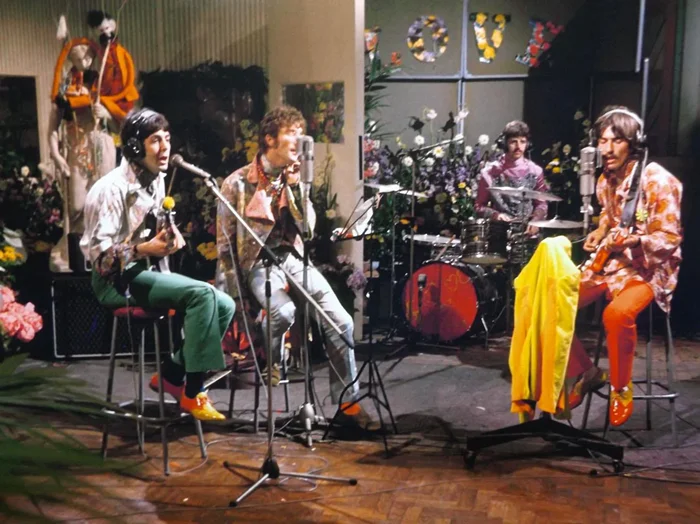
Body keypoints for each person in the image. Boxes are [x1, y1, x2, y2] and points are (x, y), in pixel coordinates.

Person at [216, 105, 375, 429]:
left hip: (292, 259)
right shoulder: (237, 183)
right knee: (283, 311)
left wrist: (298, 187)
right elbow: (224, 246)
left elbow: (308, 229)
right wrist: (234, 296)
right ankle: (273, 360)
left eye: (301, 133)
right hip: (257, 264)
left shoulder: (296, 176)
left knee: (342, 322)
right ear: (269, 139)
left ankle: (348, 405)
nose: (299, 139)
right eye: (291, 133)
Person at [80, 108, 235, 421]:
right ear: (135, 147)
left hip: (144, 271)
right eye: (155, 140)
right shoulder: (110, 189)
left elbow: (153, 231)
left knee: (225, 305)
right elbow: (101, 261)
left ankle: (172, 374)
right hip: (115, 281)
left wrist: (168, 237)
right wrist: (143, 249)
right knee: (202, 295)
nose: (165, 147)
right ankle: (193, 392)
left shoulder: (157, 180)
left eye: (167, 138)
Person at [565, 106, 682, 426]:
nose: (606, 148)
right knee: (550, 302)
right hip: (612, 263)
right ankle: (586, 372)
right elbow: (608, 215)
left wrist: (635, 241)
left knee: (616, 315)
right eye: (602, 141)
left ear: (634, 143)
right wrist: (600, 231)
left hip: (649, 269)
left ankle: (621, 388)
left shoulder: (658, 180)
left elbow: (669, 238)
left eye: (616, 141)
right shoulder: (606, 180)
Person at [476, 120, 549, 235]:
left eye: (523, 142)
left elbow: (541, 204)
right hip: (500, 233)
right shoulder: (489, 172)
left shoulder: (535, 171)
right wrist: (496, 215)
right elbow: (479, 206)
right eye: (513, 142)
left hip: (528, 233)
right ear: (505, 143)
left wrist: (536, 220)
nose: (518, 147)